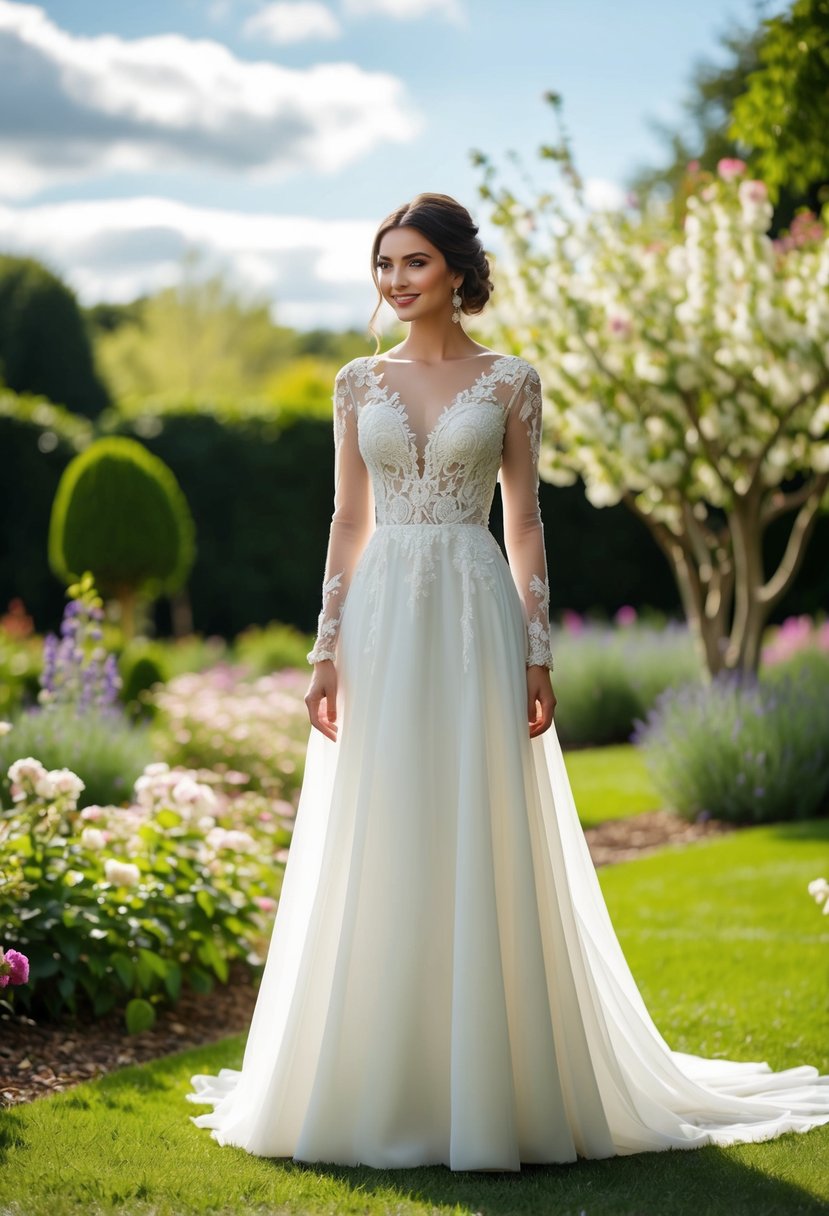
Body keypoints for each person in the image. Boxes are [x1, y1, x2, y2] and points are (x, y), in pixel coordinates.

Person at [186, 192, 829, 1171]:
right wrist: (324, 648)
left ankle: (493, 1079)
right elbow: (345, 521)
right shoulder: (355, 382)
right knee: (384, 820)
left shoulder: (512, 380)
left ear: (454, 269)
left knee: (478, 824)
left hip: (475, 608)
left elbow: (524, 521)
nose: (394, 281)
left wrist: (537, 648)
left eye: (412, 263)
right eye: (382, 265)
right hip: (383, 614)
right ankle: (378, 1073)